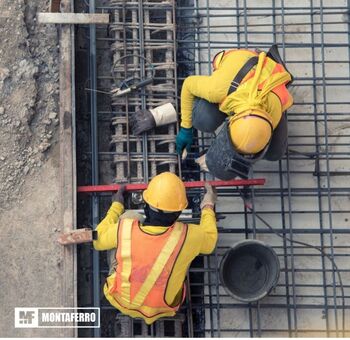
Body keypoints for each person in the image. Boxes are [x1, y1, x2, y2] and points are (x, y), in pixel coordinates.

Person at [93, 172, 217, 324]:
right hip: (164, 308)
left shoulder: (126, 229)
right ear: (178, 213)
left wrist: (116, 205)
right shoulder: (189, 235)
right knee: (185, 251)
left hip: (121, 300)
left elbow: (97, 240)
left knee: (129, 217)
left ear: (146, 206)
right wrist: (208, 205)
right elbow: (210, 241)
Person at [176, 45, 294, 180]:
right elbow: (188, 85)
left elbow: (251, 138)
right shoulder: (218, 89)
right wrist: (186, 127)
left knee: (275, 153)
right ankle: (266, 58)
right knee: (202, 120)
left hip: (270, 81)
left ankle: (274, 63)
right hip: (238, 65)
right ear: (231, 120)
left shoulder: (275, 108)